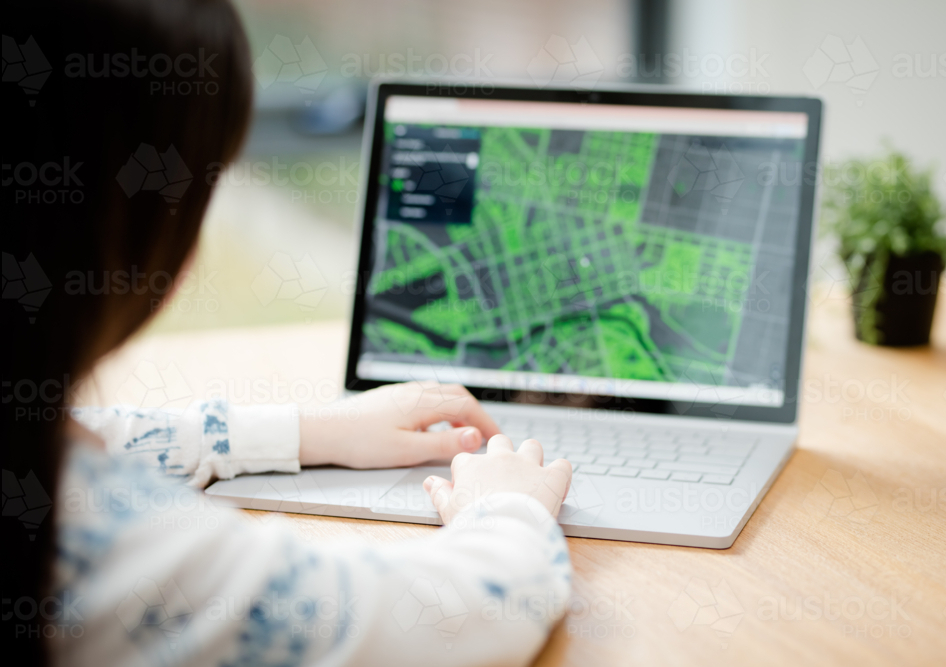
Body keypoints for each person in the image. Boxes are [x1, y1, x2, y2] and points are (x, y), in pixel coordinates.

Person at [3, 1, 573, 665]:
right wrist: (508, 509)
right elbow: (456, 617)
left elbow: (97, 436)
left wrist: (314, 432)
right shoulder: (120, 551)